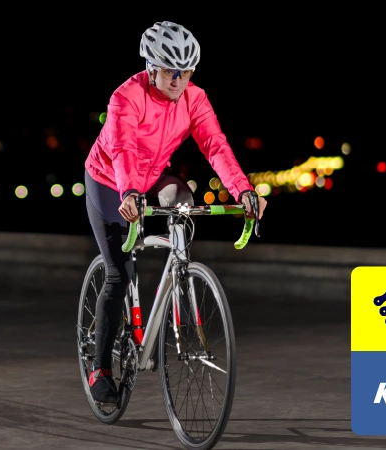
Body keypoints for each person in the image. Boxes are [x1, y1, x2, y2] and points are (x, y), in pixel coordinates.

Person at [83, 21, 267, 404]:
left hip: (154, 177)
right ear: (152, 67)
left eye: (186, 72)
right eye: (171, 71)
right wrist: (129, 191)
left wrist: (244, 189)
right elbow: (123, 151)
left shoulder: (195, 98)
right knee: (118, 273)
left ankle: (181, 274)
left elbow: (215, 146)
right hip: (109, 178)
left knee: (182, 204)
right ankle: (99, 367)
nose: (179, 80)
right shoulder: (126, 97)